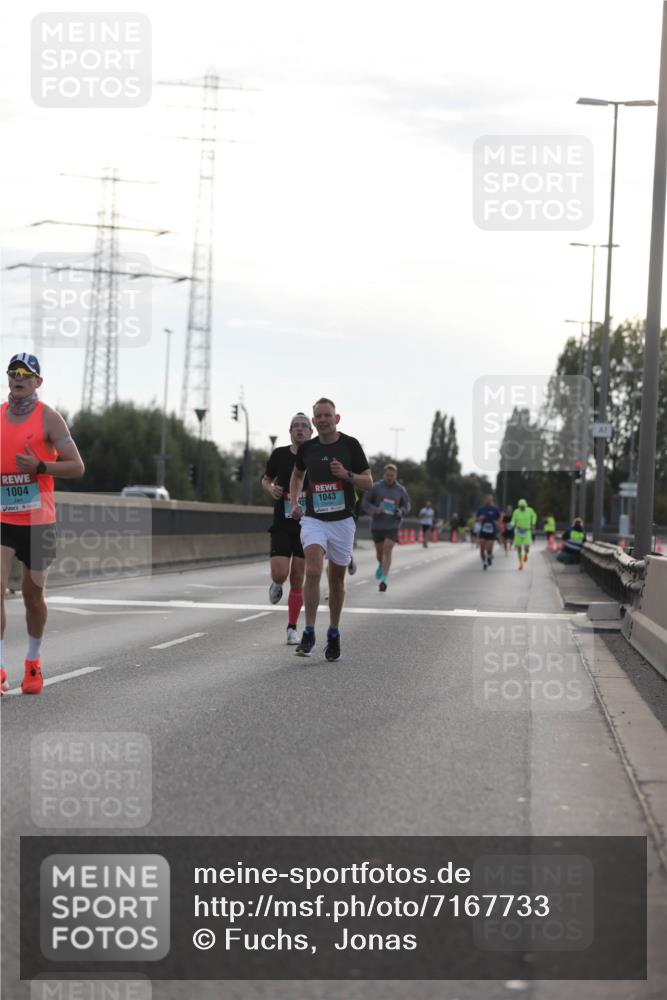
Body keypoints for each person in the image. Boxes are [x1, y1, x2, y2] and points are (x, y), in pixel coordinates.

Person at [1, 353, 85, 694]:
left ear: (38, 381)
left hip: (38, 522)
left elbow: (77, 467)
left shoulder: (49, 419)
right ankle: (1, 670)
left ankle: (33, 663)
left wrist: (39, 466)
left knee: (32, 596)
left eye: (25, 373)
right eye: (12, 372)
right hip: (3, 518)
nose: (18, 377)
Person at [289, 398, 372, 660]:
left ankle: (333, 633)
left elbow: (368, 482)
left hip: (342, 521)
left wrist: (346, 475)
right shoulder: (308, 449)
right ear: (314, 422)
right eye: (319, 416)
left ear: (337, 419)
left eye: (328, 415)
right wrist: (294, 502)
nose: (323, 419)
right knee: (312, 570)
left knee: (336, 580)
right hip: (314, 519)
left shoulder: (350, 445)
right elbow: (297, 475)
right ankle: (309, 632)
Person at [261, 412, 313, 644]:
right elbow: (266, 479)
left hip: (307, 525)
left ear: (311, 432)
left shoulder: (317, 456)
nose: (300, 429)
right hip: (282, 523)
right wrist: (271, 488)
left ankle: (292, 628)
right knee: (281, 573)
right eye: (296, 426)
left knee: (298, 577)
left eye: (304, 426)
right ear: (290, 431)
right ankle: (276, 582)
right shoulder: (280, 454)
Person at [361, 463, 410, 592]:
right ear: (384, 475)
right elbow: (365, 502)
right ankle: (381, 564)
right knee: (380, 553)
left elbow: (407, 505)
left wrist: (401, 511)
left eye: (392, 475)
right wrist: (374, 510)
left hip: (393, 524)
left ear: (396, 476)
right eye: (387, 475)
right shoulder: (376, 487)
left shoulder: (400, 490)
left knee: (387, 550)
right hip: (377, 525)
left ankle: (384, 579)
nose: (389, 477)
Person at [510, 498, 538, 570]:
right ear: (519, 506)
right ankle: (521, 563)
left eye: (523, 506)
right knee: (519, 548)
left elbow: (534, 516)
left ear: (526, 505)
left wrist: (533, 523)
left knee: (526, 547)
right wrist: (511, 524)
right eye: (521, 506)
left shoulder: (530, 510)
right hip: (518, 531)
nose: (522, 508)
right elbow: (513, 520)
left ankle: (526, 554)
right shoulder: (516, 512)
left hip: (527, 531)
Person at [475, 493, 501, 570]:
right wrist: (479, 518)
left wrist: (498, 522)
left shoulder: (495, 509)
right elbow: (475, 519)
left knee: (489, 548)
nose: (489, 501)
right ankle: (485, 561)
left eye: (490, 500)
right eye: (487, 499)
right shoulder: (481, 509)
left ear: (492, 500)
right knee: (482, 550)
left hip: (492, 531)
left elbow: (501, 517)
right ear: (485, 500)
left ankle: (489, 557)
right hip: (483, 531)